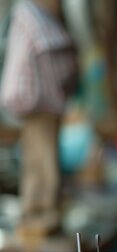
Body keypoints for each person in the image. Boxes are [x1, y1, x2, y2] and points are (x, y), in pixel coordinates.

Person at [0, 0, 78, 237]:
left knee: (40, 164)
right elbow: (48, 45)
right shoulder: (31, 12)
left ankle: (41, 218)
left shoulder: (26, 12)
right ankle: (40, 217)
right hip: (40, 102)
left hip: (39, 101)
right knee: (41, 163)